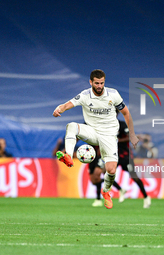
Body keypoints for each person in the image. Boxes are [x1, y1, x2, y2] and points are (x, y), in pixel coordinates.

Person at [53, 69, 139, 209]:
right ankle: (68, 155)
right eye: (97, 83)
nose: (99, 86)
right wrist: (59, 109)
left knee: (111, 170)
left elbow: (126, 113)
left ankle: (106, 192)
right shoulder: (85, 95)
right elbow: (68, 104)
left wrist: (132, 134)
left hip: (109, 134)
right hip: (92, 131)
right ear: (91, 82)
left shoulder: (113, 94)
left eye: (102, 83)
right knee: (71, 126)